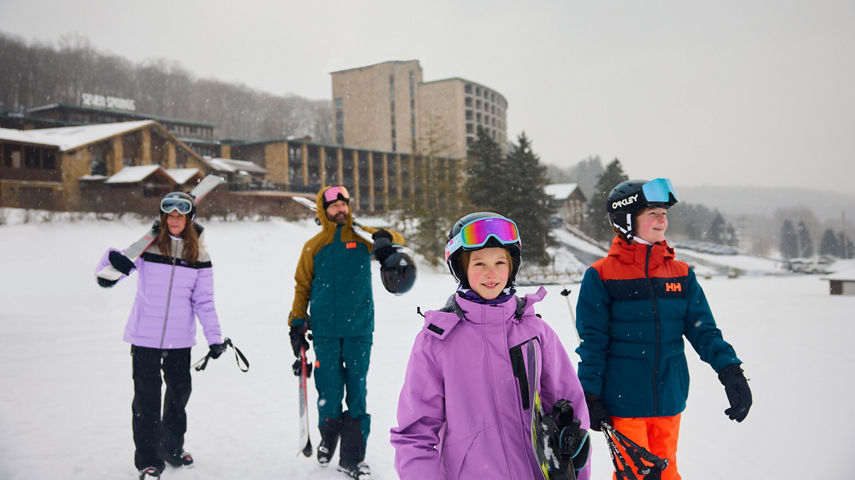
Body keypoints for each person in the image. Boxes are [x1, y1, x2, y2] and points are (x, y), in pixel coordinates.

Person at [391, 212, 591, 480]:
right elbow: (415, 434)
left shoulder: (535, 332)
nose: (492, 273)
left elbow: (570, 409)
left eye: (500, 262)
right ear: (461, 269)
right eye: (479, 264)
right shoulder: (437, 341)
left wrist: (576, 467)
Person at [575, 178, 753, 480]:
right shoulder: (601, 275)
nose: (662, 220)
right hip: (624, 399)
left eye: (664, 213)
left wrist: (730, 371)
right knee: (637, 475)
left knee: (667, 471)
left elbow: (704, 331)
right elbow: (593, 342)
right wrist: (589, 394)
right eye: (652, 214)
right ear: (626, 220)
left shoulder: (681, 274)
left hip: (669, 396)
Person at [95, 191, 228, 480]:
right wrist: (112, 260)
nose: (175, 220)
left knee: (178, 397)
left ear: (189, 219)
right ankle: (149, 460)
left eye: (181, 215)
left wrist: (214, 337)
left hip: (180, 340)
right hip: (144, 337)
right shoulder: (147, 249)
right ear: (164, 218)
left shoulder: (199, 256)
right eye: (170, 215)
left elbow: (203, 301)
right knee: (146, 401)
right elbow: (108, 272)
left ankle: (172, 448)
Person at [288, 185, 404, 480]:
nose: (340, 210)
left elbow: (400, 242)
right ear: (323, 211)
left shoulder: (363, 238)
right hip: (325, 333)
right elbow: (302, 287)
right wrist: (296, 323)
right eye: (334, 207)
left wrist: (385, 238)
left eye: (344, 205)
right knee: (328, 392)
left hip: (359, 331)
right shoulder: (313, 247)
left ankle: (353, 458)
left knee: (356, 394)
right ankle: (328, 438)